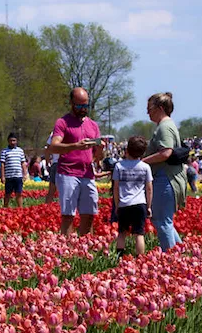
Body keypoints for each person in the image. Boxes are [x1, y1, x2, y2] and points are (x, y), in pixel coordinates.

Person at [47, 88, 103, 237]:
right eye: (79, 106)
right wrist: (75, 146)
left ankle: (85, 245)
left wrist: (101, 149)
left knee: (89, 213)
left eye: (86, 106)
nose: (83, 109)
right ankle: (66, 247)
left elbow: (98, 157)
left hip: (87, 173)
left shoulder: (93, 125)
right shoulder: (63, 122)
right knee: (68, 215)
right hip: (68, 173)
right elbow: (53, 146)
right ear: (71, 103)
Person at [140, 92, 185, 252]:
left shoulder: (164, 127)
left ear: (160, 108)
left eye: (149, 108)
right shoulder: (167, 125)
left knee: (161, 221)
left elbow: (166, 152)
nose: (147, 112)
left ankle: (172, 262)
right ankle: (181, 255)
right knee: (165, 221)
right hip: (168, 177)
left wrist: (141, 163)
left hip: (165, 179)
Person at [111, 136, 153, 257]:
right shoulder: (145, 167)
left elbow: (116, 188)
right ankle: (140, 258)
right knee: (139, 233)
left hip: (124, 204)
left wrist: (117, 204)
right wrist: (149, 206)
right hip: (140, 204)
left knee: (122, 233)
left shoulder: (119, 166)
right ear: (143, 153)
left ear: (127, 150)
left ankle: (119, 256)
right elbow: (149, 188)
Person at [0, 133, 28, 208]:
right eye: (11, 140)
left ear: (16, 141)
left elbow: (23, 163)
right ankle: (5, 207)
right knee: (7, 194)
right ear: (8, 141)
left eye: (14, 140)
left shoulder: (20, 151)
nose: (12, 142)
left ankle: (20, 208)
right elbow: (2, 164)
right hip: (9, 176)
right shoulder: (4, 151)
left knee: (19, 193)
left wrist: (25, 174)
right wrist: (2, 176)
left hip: (18, 175)